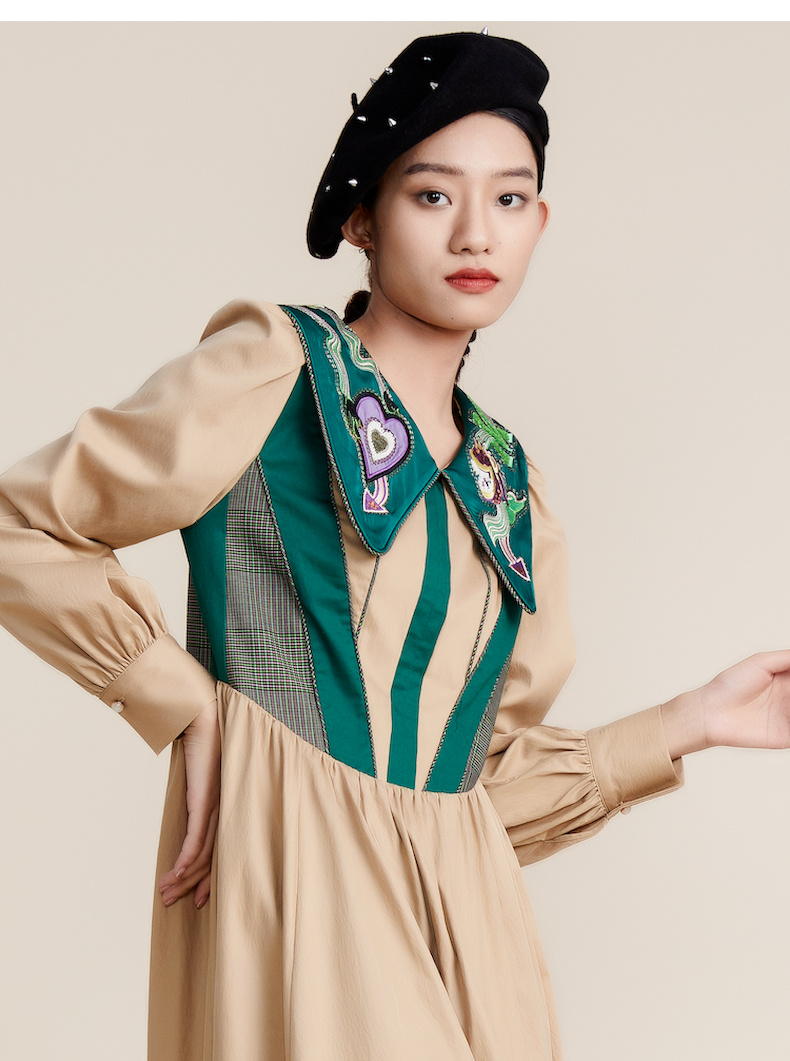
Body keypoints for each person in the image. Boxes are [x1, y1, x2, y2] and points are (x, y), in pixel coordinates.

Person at [1, 27, 789, 1061]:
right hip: (294, 923)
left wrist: (690, 721)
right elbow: (23, 522)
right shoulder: (274, 373)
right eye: (431, 194)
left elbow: (471, 816)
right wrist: (177, 695)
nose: (475, 233)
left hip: (476, 958)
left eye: (510, 198)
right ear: (362, 216)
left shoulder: (512, 489)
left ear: (539, 221)